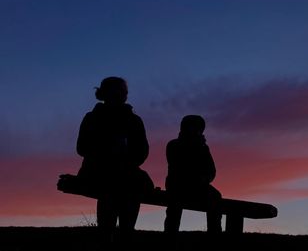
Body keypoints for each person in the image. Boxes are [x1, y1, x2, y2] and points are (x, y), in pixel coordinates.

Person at [76, 76, 150, 234]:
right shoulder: (92, 118)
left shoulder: (134, 121)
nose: (124, 95)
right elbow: (82, 148)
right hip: (96, 170)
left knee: (131, 185)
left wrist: (125, 158)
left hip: (126, 171)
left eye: (125, 92)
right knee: (114, 186)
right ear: (106, 93)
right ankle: (108, 234)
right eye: (120, 91)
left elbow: (142, 152)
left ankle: (125, 234)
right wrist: (106, 150)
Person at [164, 115, 222, 234]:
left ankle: (215, 235)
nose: (194, 131)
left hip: (199, 186)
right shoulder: (173, 145)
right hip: (177, 185)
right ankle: (169, 236)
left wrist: (204, 179)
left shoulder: (203, 148)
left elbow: (211, 170)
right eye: (191, 127)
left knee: (215, 197)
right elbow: (179, 167)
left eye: (197, 128)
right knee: (174, 207)